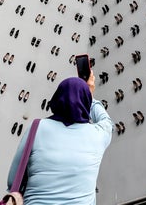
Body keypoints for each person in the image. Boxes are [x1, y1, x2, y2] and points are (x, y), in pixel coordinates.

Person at [6, 72, 112, 204]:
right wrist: (90, 94)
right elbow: (106, 121)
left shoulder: (37, 127)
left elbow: (13, 181)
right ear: (86, 101)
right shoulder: (98, 134)